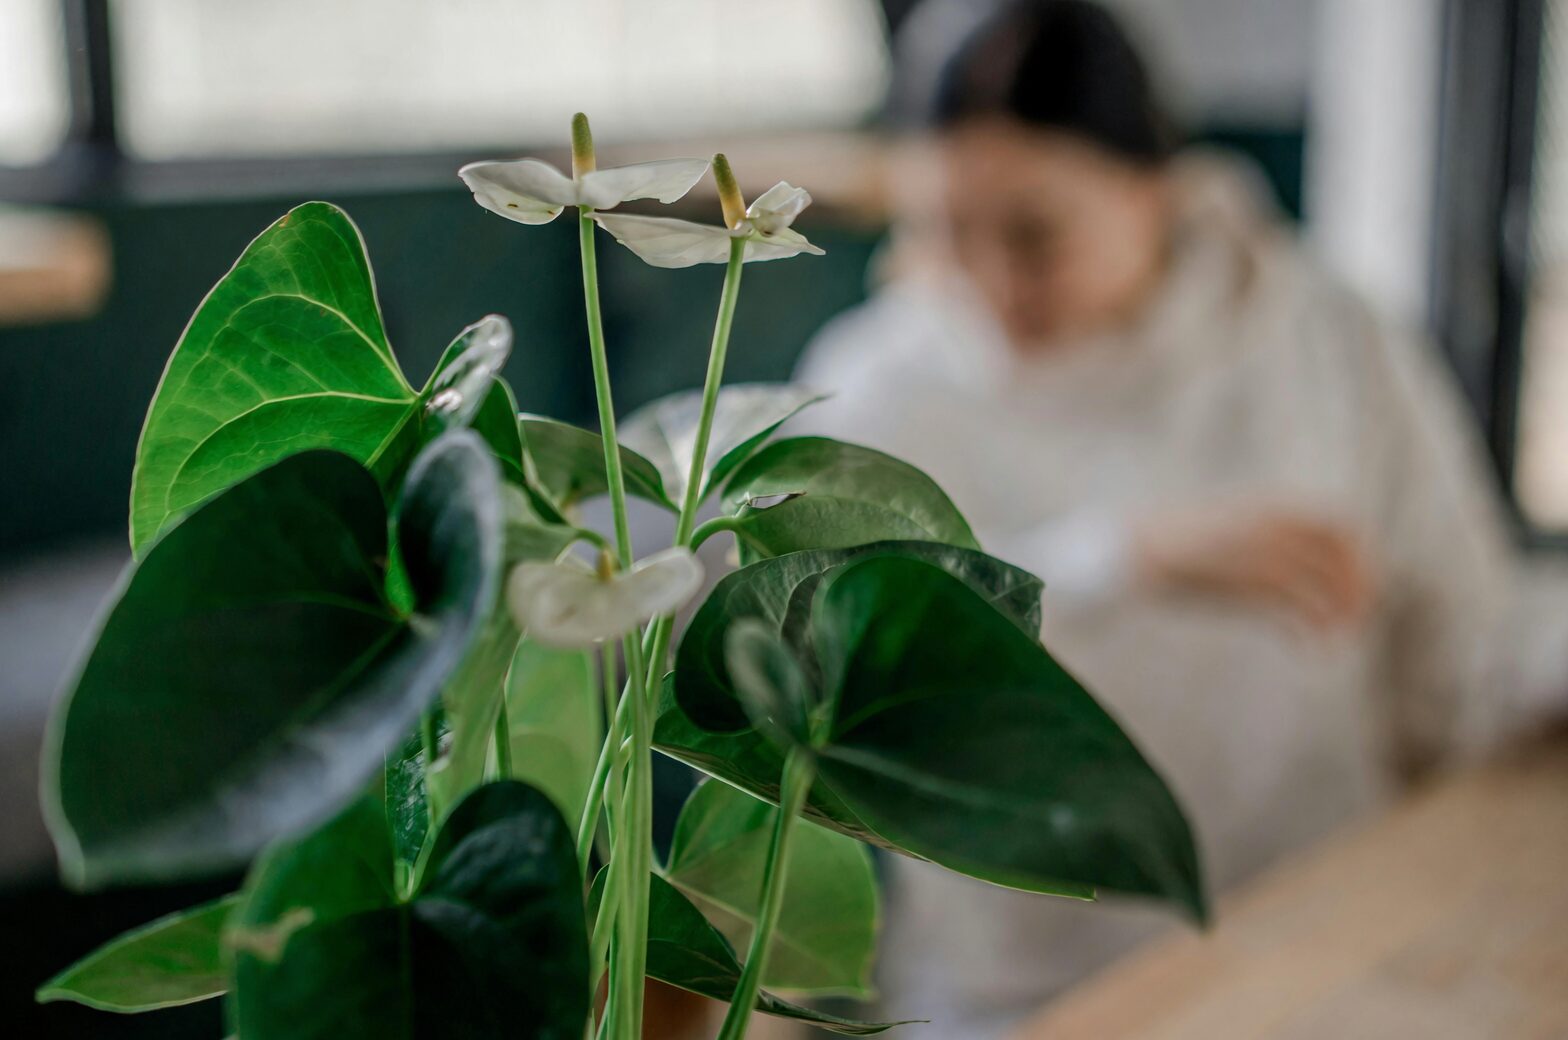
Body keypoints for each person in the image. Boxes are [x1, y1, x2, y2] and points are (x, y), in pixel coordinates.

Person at [794, 2, 1568, 1036]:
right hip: (1014, 991)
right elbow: (826, 655)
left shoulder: (1326, 339)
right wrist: (1121, 557)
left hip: (1319, 940)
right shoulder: (876, 384)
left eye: (1032, 234)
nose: (984, 279)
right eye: (942, 228)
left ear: (1153, 188)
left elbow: (1458, 635)